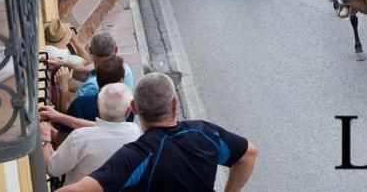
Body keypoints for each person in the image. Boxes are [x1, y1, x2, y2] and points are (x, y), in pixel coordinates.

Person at [57, 73, 257, 192]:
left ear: (134, 108)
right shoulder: (205, 133)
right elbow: (248, 154)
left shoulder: (136, 155)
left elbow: (83, 189)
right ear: (174, 103)